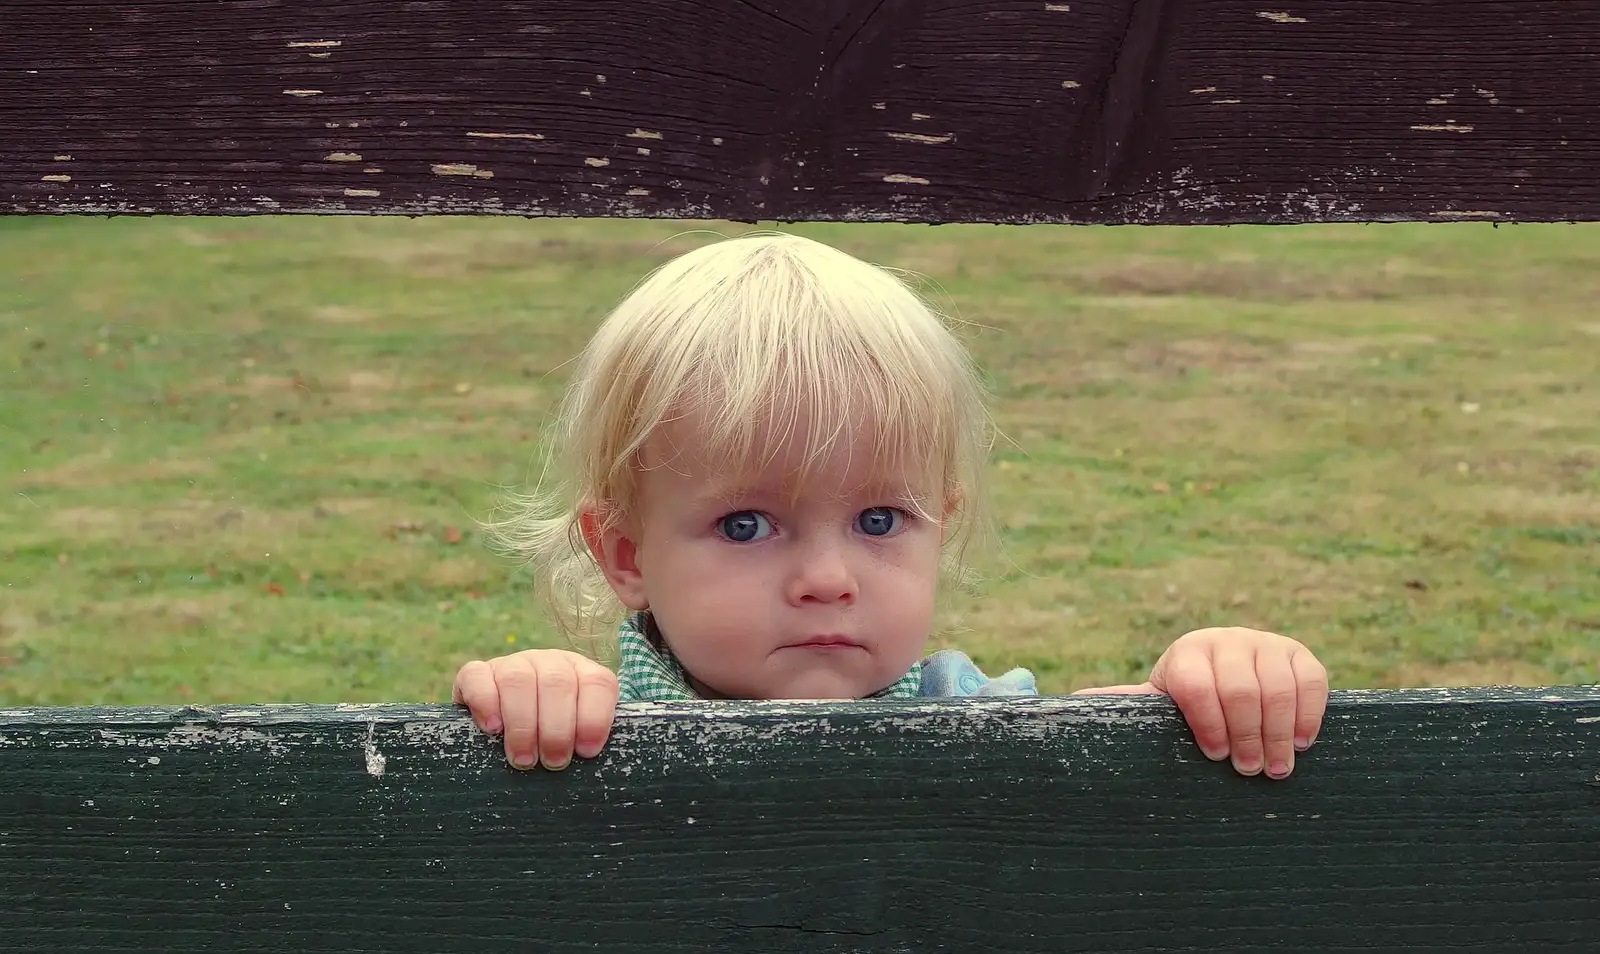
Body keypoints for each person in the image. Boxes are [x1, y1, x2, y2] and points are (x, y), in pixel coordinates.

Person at [451, 232, 1328, 778]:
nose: (828, 579)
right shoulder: (596, 725)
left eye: (879, 522)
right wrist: (531, 701)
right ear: (626, 556)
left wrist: (1200, 681)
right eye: (745, 525)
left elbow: (1108, 771)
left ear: (939, 525)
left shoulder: (970, 717)